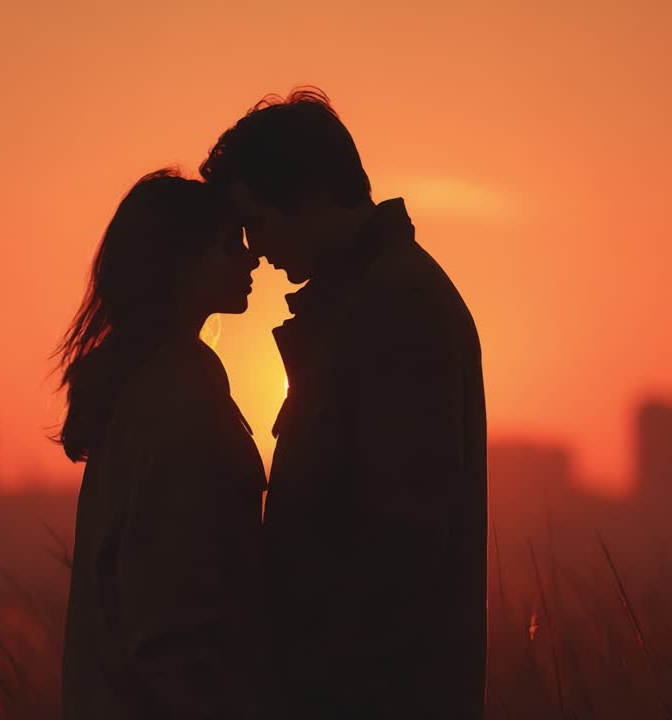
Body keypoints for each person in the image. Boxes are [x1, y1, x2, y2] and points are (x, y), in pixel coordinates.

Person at [201, 89, 488, 719]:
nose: (252, 249)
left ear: (307, 195)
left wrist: (313, 689)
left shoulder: (396, 309)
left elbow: (401, 554)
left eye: (257, 221)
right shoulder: (367, 305)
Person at [57, 169, 265, 719]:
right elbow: (173, 623)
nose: (252, 260)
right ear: (179, 264)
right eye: (229, 244)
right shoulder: (175, 396)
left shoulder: (147, 382)